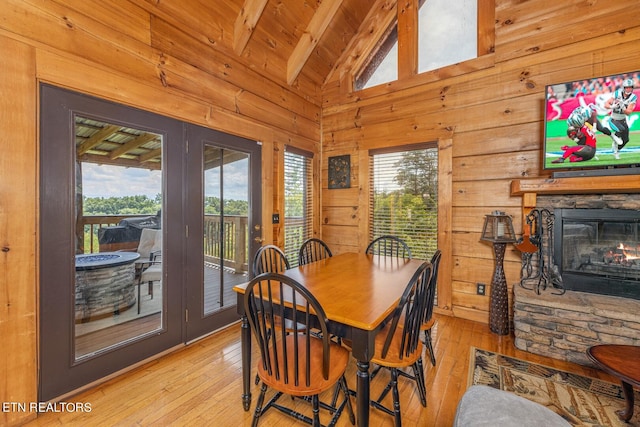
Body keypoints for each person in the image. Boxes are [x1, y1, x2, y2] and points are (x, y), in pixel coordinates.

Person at [604, 78, 637, 159]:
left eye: (630, 87)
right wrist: (612, 106)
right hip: (613, 119)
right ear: (624, 88)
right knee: (620, 129)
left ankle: (616, 151)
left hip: (623, 120)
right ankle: (614, 140)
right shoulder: (617, 93)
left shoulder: (633, 97)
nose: (628, 89)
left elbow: (629, 112)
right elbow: (606, 104)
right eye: (627, 87)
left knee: (626, 140)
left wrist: (623, 107)